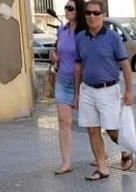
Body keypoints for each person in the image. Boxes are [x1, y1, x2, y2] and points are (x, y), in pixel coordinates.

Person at [73, 0, 134, 181]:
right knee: (92, 130)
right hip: (87, 90)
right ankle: (102, 168)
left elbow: (125, 64)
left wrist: (129, 91)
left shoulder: (113, 37)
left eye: (96, 13)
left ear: (103, 15)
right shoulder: (80, 38)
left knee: (112, 130)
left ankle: (125, 149)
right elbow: (78, 67)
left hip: (108, 90)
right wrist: (77, 93)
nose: (92, 16)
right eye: (88, 13)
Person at [50, 1, 85, 175]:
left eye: (70, 8)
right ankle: (66, 162)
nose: (67, 11)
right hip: (63, 81)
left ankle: (103, 153)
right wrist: (55, 57)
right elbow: (60, 53)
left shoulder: (85, 33)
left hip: (83, 82)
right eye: (66, 8)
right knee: (64, 122)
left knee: (94, 123)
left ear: (78, 11)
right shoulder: (62, 31)